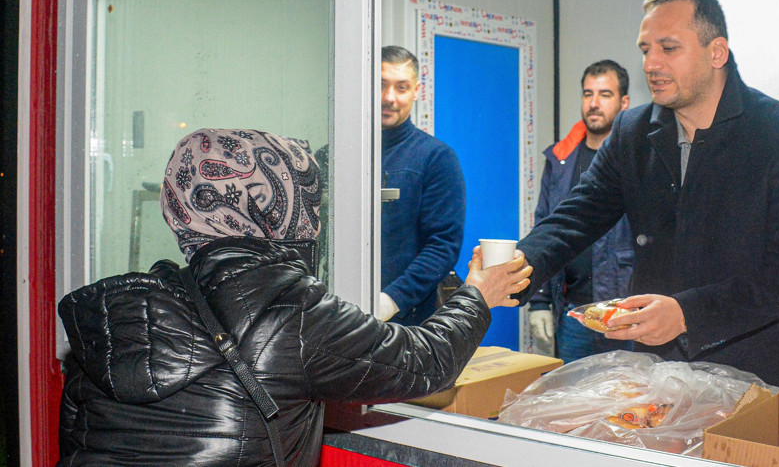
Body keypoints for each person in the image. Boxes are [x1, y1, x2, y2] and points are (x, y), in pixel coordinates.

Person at [57, 129, 531, 466]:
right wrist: (478, 293)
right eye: (308, 198)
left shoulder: (129, 303)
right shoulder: (284, 304)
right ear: (275, 203)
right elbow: (425, 362)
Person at [516, 0, 779, 394]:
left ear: (716, 52)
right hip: (667, 374)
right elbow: (577, 215)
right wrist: (519, 267)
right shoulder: (632, 131)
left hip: (768, 375)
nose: (651, 63)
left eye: (668, 48)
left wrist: (687, 313)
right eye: (645, 49)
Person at [528, 60, 634, 362]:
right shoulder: (560, 160)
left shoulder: (637, 158)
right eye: (588, 94)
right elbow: (545, 228)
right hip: (573, 316)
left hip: (626, 314)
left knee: (627, 404)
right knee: (575, 404)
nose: (594, 103)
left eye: (605, 94)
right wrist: (538, 302)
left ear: (624, 102)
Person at [380, 45, 467, 325]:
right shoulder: (332, 155)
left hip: (407, 323)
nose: (389, 98)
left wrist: (390, 300)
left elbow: (443, 246)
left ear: (416, 91)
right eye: (380, 85)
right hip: (336, 317)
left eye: (401, 88)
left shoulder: (435, 158)